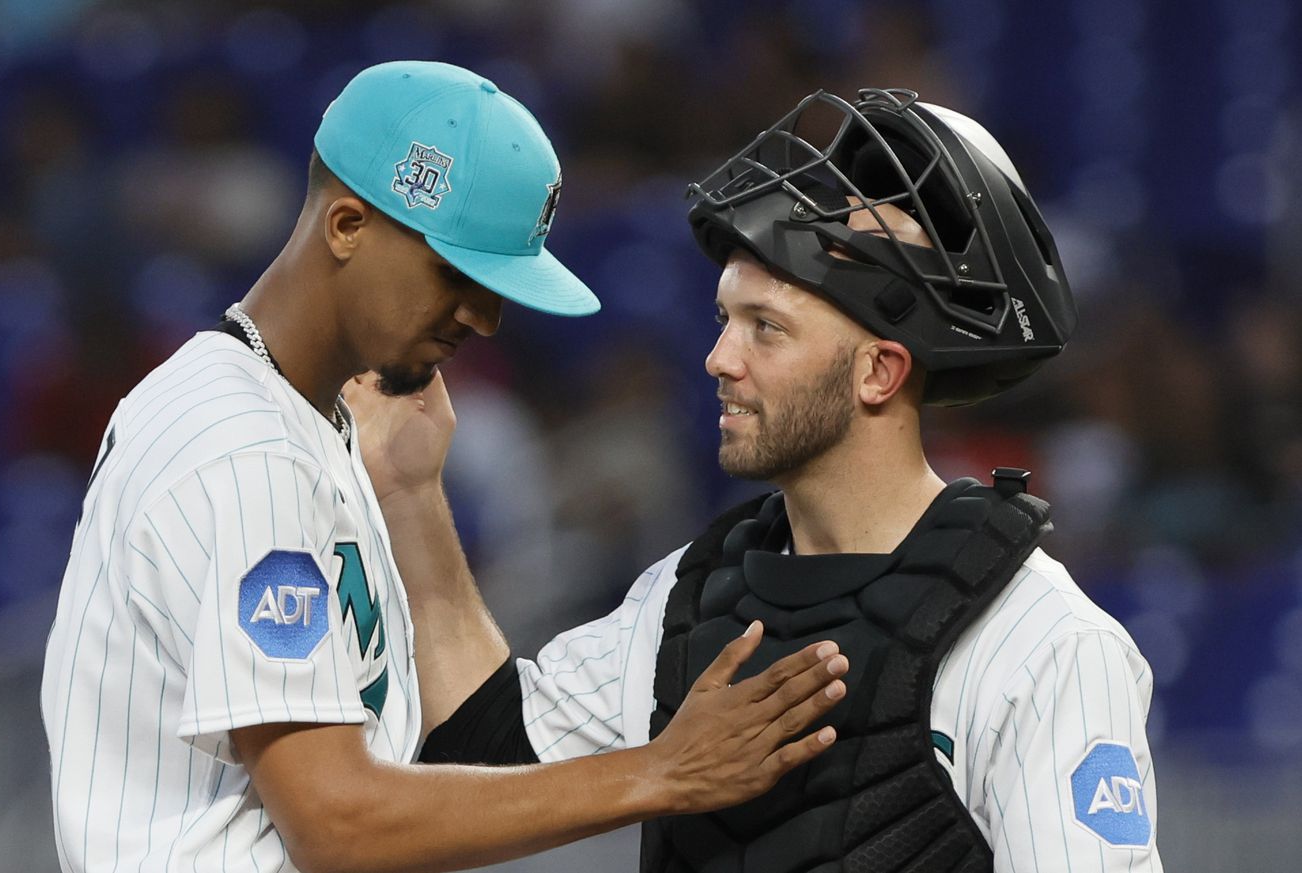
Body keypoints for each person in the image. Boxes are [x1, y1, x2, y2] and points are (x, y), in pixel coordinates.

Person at [39, 61, 853, 873]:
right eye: (458, 274)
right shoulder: (248, 449)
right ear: (348, 226)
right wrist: (661, 773)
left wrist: (408, 489)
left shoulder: (280, 409)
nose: (486, 317)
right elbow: (337, 821)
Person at [417, 88, 1166, 872]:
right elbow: (485, 746)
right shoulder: (688, 599)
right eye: (724, 320)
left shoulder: (1042, 640)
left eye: (766, 329)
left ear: (879, 370)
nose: (719, 360)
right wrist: (410, 493)